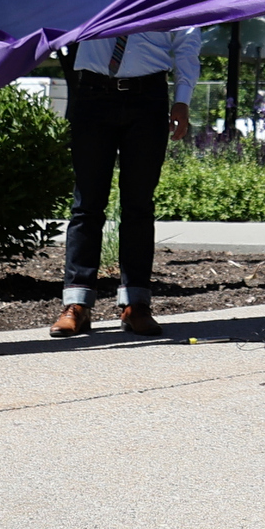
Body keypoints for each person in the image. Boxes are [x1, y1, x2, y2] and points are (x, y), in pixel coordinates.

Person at [54, 22, 205, 337]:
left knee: (138, 204)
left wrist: (183, 99)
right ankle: (77, 304)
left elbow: (188, 41)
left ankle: (136, 304)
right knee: (86, 203)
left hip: (147, 98)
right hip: (92, 94)